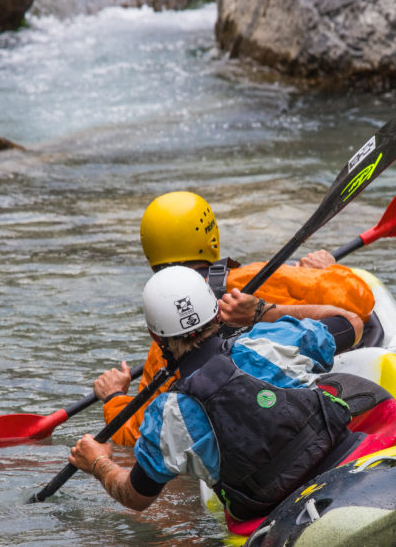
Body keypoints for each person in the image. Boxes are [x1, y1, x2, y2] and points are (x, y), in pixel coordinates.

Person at [69, 266, 367, 520]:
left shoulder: (167, 415)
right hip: (343, 460)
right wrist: (261, 311)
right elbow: (351, 322)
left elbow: (136, 497)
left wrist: (98, 463)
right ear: (217, 314)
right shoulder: (270, 342)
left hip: (270, 508)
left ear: (155, 337)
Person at [96, 190, 376, 446]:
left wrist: (114, 397)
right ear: (209, 235)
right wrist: (328, 269)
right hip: (296, 417)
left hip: (234, 446)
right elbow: (359, 304)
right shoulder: (254, 279)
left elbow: (138, 432)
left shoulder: (165, 342)